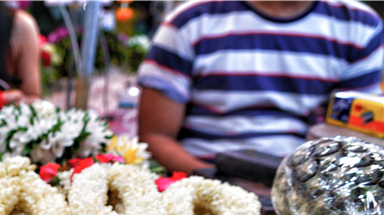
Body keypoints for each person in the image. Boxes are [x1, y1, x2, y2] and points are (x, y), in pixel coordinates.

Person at [137, 0, 384, 174]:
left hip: (302, 186)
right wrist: (214, 183)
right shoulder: (191, 21)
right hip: (199, 177)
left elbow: (356, 139)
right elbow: (155, 135)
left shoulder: (360, 26)